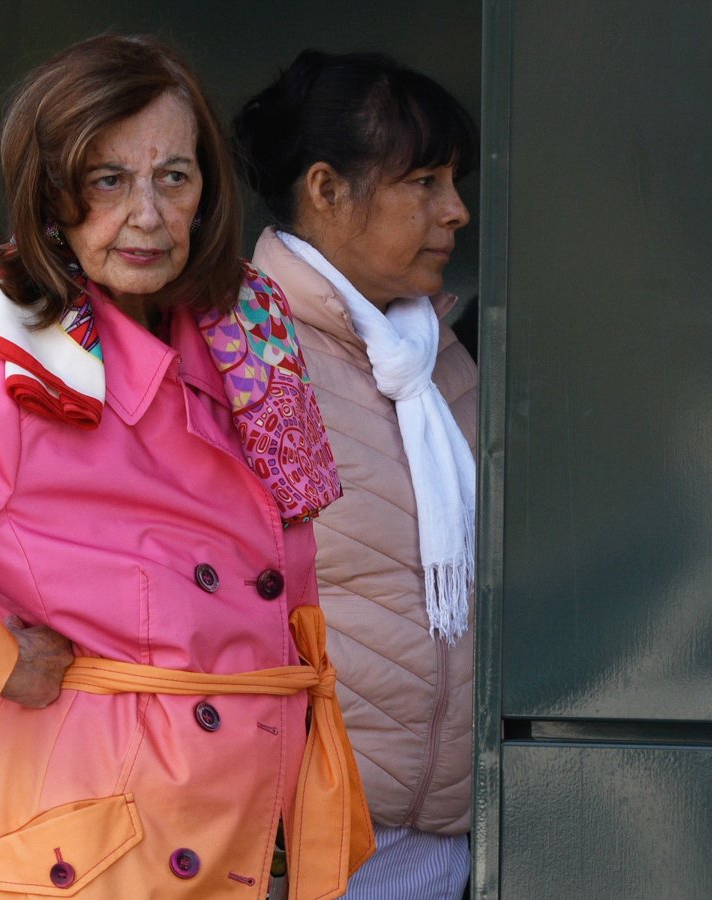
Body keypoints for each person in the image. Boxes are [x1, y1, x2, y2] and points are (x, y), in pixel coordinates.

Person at [0, 34, 372, 899]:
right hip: (96, 849)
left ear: (207, 190)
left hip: (242, 822)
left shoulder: (246, 333)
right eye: (107, 179)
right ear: (50, 193)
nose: (148, 215)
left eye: (174, 176)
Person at [234, 50, 480, 900]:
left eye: (453, 182)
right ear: (327, 189)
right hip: (298, 839)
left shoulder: (433, 354)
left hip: (438, 842)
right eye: (425, 181)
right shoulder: (243, 352)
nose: (456, 210)